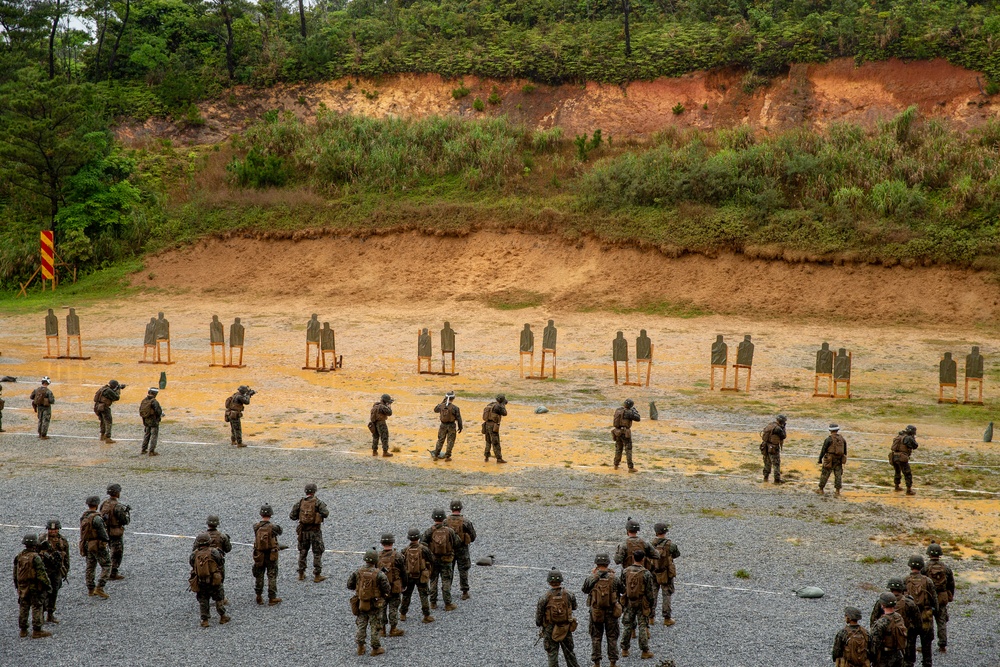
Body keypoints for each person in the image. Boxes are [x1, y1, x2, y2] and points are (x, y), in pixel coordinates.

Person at [582, 553, 623, 667]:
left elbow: (584, 590)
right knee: (612, 636)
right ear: (608, 563)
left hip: (596, 611)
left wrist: (593, 575)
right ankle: (613, 662)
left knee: (596, 637)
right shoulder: (614, 578)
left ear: (596, 564)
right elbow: (623, 590)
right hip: (611, 612)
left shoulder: (592, 578)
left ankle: (596, 663)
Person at [348, 549, 390, 656]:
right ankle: (375, 648)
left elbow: (349, 585)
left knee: (361, 624)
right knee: (375, 626)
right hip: (375, 604)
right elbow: (387, 588)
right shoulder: (380, 574)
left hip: (361, 603)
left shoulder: (358, 572)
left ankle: (360, 647)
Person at [536, 568, 581, 667]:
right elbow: (575, 607)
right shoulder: (569, 594)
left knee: (552, 653)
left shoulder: (544, 597)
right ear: (561, 580)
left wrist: (540, 625)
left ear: (549, 581)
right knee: (569, 652)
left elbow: (539, 616)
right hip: (565, 627)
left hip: (550, 628)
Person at [871, 578, 921, 667]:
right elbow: (918, 624)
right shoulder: (908, 604)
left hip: (885, 651)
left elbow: (873, 621)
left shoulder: (880, 604)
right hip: (904, 643)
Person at [12, 534, 51, 639]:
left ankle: (23, 630)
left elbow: (15, 573)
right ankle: (37, 630)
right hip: (34, 587)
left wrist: (17, 586)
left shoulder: (19, 556)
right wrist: (48, 585)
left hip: (22, 586)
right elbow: (41, 574)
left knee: (23, 606)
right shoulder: (36, 557)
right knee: (37, 606)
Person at [289, 483, 329, 583]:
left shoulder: (300, 502)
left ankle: (301, 573)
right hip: (315, 531)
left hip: (303, 531)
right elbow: (326, 513)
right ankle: (317, 575)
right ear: (314, 491)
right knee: (317, 552)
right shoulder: (318, 502)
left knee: (303, 552)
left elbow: (292, 516)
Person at [422, 508, 460, 611]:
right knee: (446, 581)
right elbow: (457, 542)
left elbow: (422, 543)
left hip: (433, 560)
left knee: (433, 580)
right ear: (443, 518)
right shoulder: (449, 531)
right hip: (447, 560)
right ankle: (448, 604)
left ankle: (433, 603)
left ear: (433, 518)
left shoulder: (429, 531)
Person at [619, 550, 655, 660]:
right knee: (642, 625)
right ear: (643, 559)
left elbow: (621, 585)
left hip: (629, 601)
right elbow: (650, 591)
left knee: (627, 625)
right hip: (642, 602)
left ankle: (625, 649)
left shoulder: (626, 571)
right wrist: (650, 603)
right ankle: (644, 650)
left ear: (633, 558)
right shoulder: (646, 573)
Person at [188, 533, 229, 627]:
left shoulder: (195, 554)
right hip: (214, 580)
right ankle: (223, 616)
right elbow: (221, 562)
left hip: (201, 581)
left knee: (203, 600)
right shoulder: (214, 552)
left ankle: (205, 620)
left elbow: (191, 563)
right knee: (219, 598)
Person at [904, 555, 938, 667]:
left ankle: (910, 663)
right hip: (926, 617)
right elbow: (934, 600)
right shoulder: (928, 581)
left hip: (910, 618)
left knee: (910, 644)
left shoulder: (905, 580)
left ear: (910, 566)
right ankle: (927, 663)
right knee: (926, 645)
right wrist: (935, 612)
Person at [922, 543, 955, 653]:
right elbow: (951, 583)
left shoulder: (925, 567)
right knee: (941, 621)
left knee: (928, 622)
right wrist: (950, 595)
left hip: (929, 598)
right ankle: (942, 645)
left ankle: (926, 645)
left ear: (929, 553)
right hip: (942, 598)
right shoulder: (946, 568)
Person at [399, 527, 434, 624]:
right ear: (419, 537)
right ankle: (426, 615)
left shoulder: (405, 550)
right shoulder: (424, 549)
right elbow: (432, 559)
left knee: (406, 595)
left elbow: (401, 563)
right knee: (424, 595)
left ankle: (403, 614)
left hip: (409, 576)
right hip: (421, 576)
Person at [37, 520, 70, 624]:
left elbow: (66, 557)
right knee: (42, 593)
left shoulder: (62, 540)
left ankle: (50, 614)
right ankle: (41, 614)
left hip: (56, 570)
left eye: (55, 529)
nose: (53, 531)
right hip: (44, 570)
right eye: (51, 529)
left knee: (55, 591)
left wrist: (66, 570)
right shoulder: (41, 539)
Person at [444, 499, 477, 600]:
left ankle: (447, 590)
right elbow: (473, 536)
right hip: (462, 549)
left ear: (451, 508)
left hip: (450, 549)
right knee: (463, 569)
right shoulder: (466, 522)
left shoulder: (445, 522)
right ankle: (465, 592)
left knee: (449, 569)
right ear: (460, 508)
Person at [79, 495, 111, 599]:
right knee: (107, 565)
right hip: (97, 544)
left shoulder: (84, 516)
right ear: (97, 505)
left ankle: (90, 589)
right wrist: (106, 540)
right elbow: (103, 533)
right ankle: (100, 587)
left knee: (90, 566)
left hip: (87, 544)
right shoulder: (97, 518)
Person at [649, 522, 680, 626]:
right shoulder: (671, 545)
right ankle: (667, 618)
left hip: (653, 572)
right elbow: (676, 554)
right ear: (665, 532)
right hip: (666, 573)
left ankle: (651, 617)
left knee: (653, 594)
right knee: (666, 594)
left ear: (656, 532)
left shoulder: (651, 544)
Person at [377, 533, 407, 637]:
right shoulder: (398, 556)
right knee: (393, 608)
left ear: (382, 543)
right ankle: (393, 629)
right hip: (395, 586)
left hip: (382, 588)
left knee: (382, 608)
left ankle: (382, 630)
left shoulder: (378, 556)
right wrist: (404, 584)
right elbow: (403, 572)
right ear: (392, 542)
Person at [252, 504, 282, 606]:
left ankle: (259, 596)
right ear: (270, 514)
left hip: (259, 554)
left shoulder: (256, 526)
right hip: (271, 554)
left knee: (259, 575)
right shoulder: (273, 527)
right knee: (272, 575)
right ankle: (272, 598)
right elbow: (280, 531)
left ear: (261, 514)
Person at [99, 483, 129, 581]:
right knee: (117, 552)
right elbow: (125, 521)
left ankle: (106, 570)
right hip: (115, 532)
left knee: (108, 551)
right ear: (117, 493)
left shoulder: (104, 503)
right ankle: (113, 573)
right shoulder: (118, 506)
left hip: (105, 531)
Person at [200, 516, 232, 605]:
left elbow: (195, 550)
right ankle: (220, 600)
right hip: (218, 564)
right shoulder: (222, 536)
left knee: (204, 581)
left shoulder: (201, 537)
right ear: (217, 524)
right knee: (219, 581)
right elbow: (228, 549)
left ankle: (205, 600)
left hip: (204, 564)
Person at [869, 592, 907, 667]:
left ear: (882, 605)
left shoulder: (881, 623)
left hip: (884, 658)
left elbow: (874, 643)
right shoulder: (899, 617)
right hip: (898, 654)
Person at [817, 423, 847, 496]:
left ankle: (821, 489)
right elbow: (845, 451)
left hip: (829, 459)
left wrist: (820, 459)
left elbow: (823, 450)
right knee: (838, 475)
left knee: (825, 474)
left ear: (830, 430)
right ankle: (837, 491)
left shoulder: (828, 439)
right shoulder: (842, 439)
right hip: (839, 460)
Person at [431, 391, 463, 461]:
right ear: (453, 398)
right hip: (451, 426)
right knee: (450, 441)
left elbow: (435, 410)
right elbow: (459, 418)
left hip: (443, 425)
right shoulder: (455, 408)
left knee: (440, 440)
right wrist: (460, 427)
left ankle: (436, 455)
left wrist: (443, 401)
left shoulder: (441, 406)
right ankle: (447, 456)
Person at [612, 399, 641, 472]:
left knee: (618, 449)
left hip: (617, 432)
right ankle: (630, 467)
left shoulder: (618, 410)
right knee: (628, 450)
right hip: (625, 432)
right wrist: (634, 411)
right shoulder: (629, 412)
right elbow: (638, 418)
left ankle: (616, 464)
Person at [891, 426, 919, 495]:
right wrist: (913, 439)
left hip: (894, 456)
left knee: (897, 472)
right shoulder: (908, 438)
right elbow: (915, 446)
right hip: (902, 457)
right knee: (907, 473)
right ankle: (909, 490)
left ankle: (896, 486)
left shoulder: (899, 436)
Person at [760, 414, 787, 483]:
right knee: (776, 463)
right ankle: (777, 480)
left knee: (767, 463)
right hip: (773, 448)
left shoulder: (771, 425)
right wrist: (783, 428)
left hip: (766, 447)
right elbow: (783, 436)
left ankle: (765, 477)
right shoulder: (778, 428)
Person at [482, 394, 509, 463]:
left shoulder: (491, 404)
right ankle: (499, 458)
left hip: (486, 424)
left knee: (488, 441)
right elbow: (505, 413)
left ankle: (486, 456)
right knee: (496, 442)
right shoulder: (498, 406)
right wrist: (503, 405)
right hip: (493, 426)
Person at [94, 379, 122, 443]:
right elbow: (116, 397)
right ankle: (108, 438)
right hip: (104, 407)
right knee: (108, 422)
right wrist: (118, 389)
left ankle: (102, 435)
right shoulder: (109, 391)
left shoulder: (104, 388)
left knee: (103, 421)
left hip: (98, 407)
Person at [139, 387, 163, 456]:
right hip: (153, 420)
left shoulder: (143, 401)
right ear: (155, 394)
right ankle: (151, 451)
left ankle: (143, 449)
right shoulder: (154, 401)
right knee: (154, 436)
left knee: (147, 434)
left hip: (146, 420)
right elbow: (158, 411)